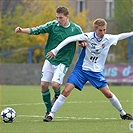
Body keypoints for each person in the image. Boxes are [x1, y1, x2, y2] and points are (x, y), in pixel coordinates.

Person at [44, 18, 133, 122]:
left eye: (104, 30)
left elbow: (121, 36)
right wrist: (55, 50)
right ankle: (51, 114)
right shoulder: (87, 36)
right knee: (66, 91)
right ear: (95, 29)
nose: (103, 32)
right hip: (81, 70)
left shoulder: (108, 38)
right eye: (100, 30)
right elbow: (69, 39)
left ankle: (123, 113)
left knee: (108, 94)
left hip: (95, 72)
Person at [15, 6, 84, 121]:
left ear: (67, 17)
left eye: (60, 18)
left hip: (63, 62)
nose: (58, 20)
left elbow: (83, 40)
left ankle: (57, 95)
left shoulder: (76, 29)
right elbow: (37, 30)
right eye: (57, 17)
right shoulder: (53, 25)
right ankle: (48, 111)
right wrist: (22, 30)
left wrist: (83, 43)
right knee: (43, 85)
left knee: (55, 85)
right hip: (50, 59)